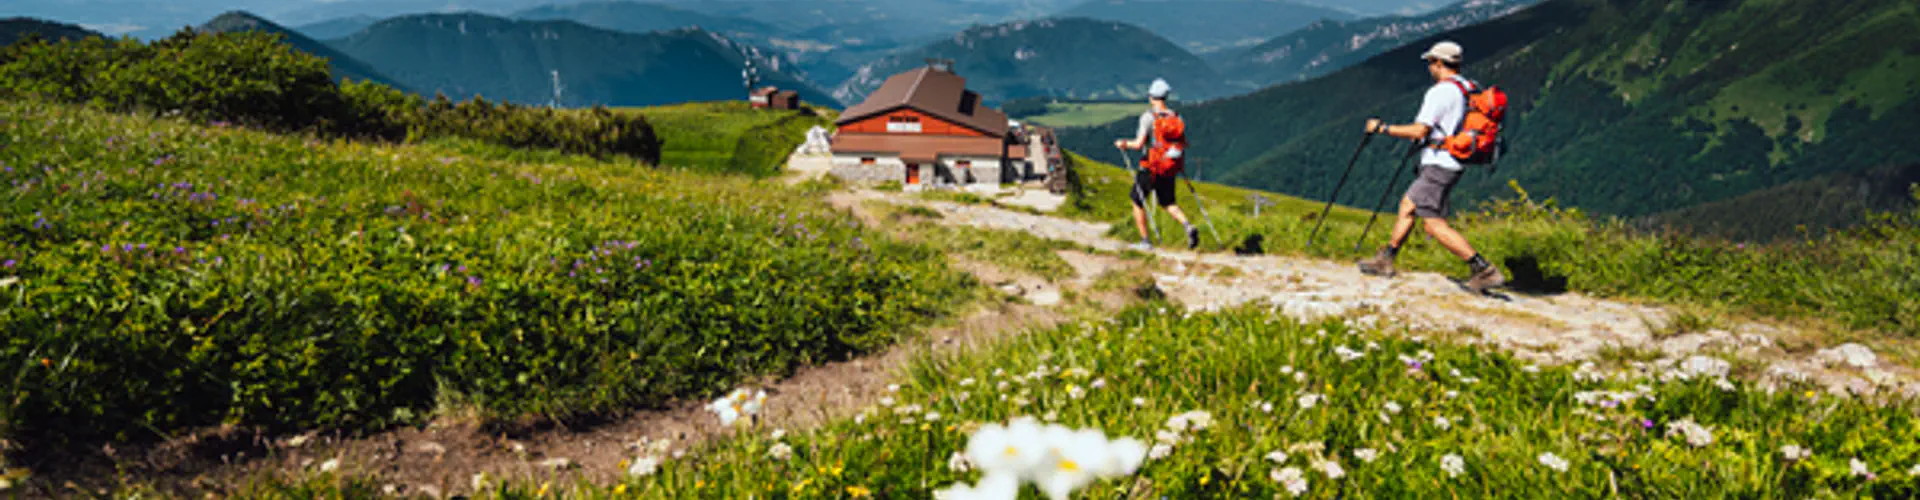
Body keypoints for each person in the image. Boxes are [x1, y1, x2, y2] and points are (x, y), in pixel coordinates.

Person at [1357, 41, 1506, 293]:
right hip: (1452, 160)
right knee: (1408, 205)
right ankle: (1386, 259)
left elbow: (1420, 130)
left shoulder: (1440, 92)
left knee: (1433, 223)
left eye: (1430, 62)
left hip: (1440, 163)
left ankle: (1483, 269)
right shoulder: (1468, 87)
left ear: (1439, 62)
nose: (1429, 67)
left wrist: (1382, 128)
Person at [1114, 78, 1199, 251]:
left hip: (1150, 166)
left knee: (1137, 201)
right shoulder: (1176, 117)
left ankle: (1145, 241)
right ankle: (1187, 225)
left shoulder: (1148, 117)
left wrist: (1123, 143)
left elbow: (1139, 144)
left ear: (1152, 97)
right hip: (1169, 166)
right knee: (1168, 202)